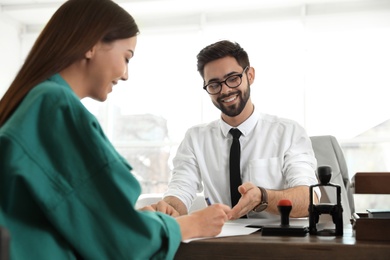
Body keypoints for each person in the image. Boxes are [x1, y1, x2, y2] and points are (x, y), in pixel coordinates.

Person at [0, 1, 231, 259]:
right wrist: (190, 225)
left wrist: (127, 219)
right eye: (126, 57)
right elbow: (121, 245)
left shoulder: (35, 102)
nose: (125, 75)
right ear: (92, 44)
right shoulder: (55, 106)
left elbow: (74, 218)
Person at [154, 40, 320, 220]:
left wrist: (262, 197)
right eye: (214, 84)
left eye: (233, 78)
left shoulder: (288, 132)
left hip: (276, 243)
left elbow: (310, 199)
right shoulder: (196, 138)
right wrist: (168, 208)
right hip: (222, 240)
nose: (225, 90)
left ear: (250, 75)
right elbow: (180, 189)